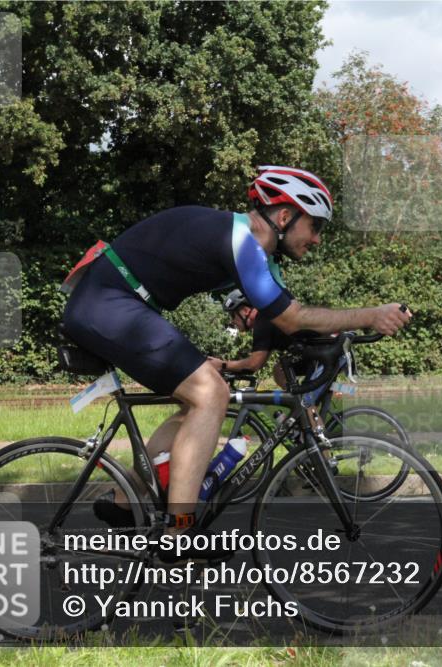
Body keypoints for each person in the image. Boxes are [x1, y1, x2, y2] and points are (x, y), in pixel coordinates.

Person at [60, 166, 412, 562]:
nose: (316, 238)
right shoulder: (241, 240)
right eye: (314, 226)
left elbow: (291, 320)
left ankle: (125, 502)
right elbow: (292, 317)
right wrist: (368, 315)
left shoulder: (257, 254)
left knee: (201, 394)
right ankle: (179, 533)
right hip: (108, 304)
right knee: (211, 393)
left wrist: (335, 343)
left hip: (116, 303)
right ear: (284, 216)